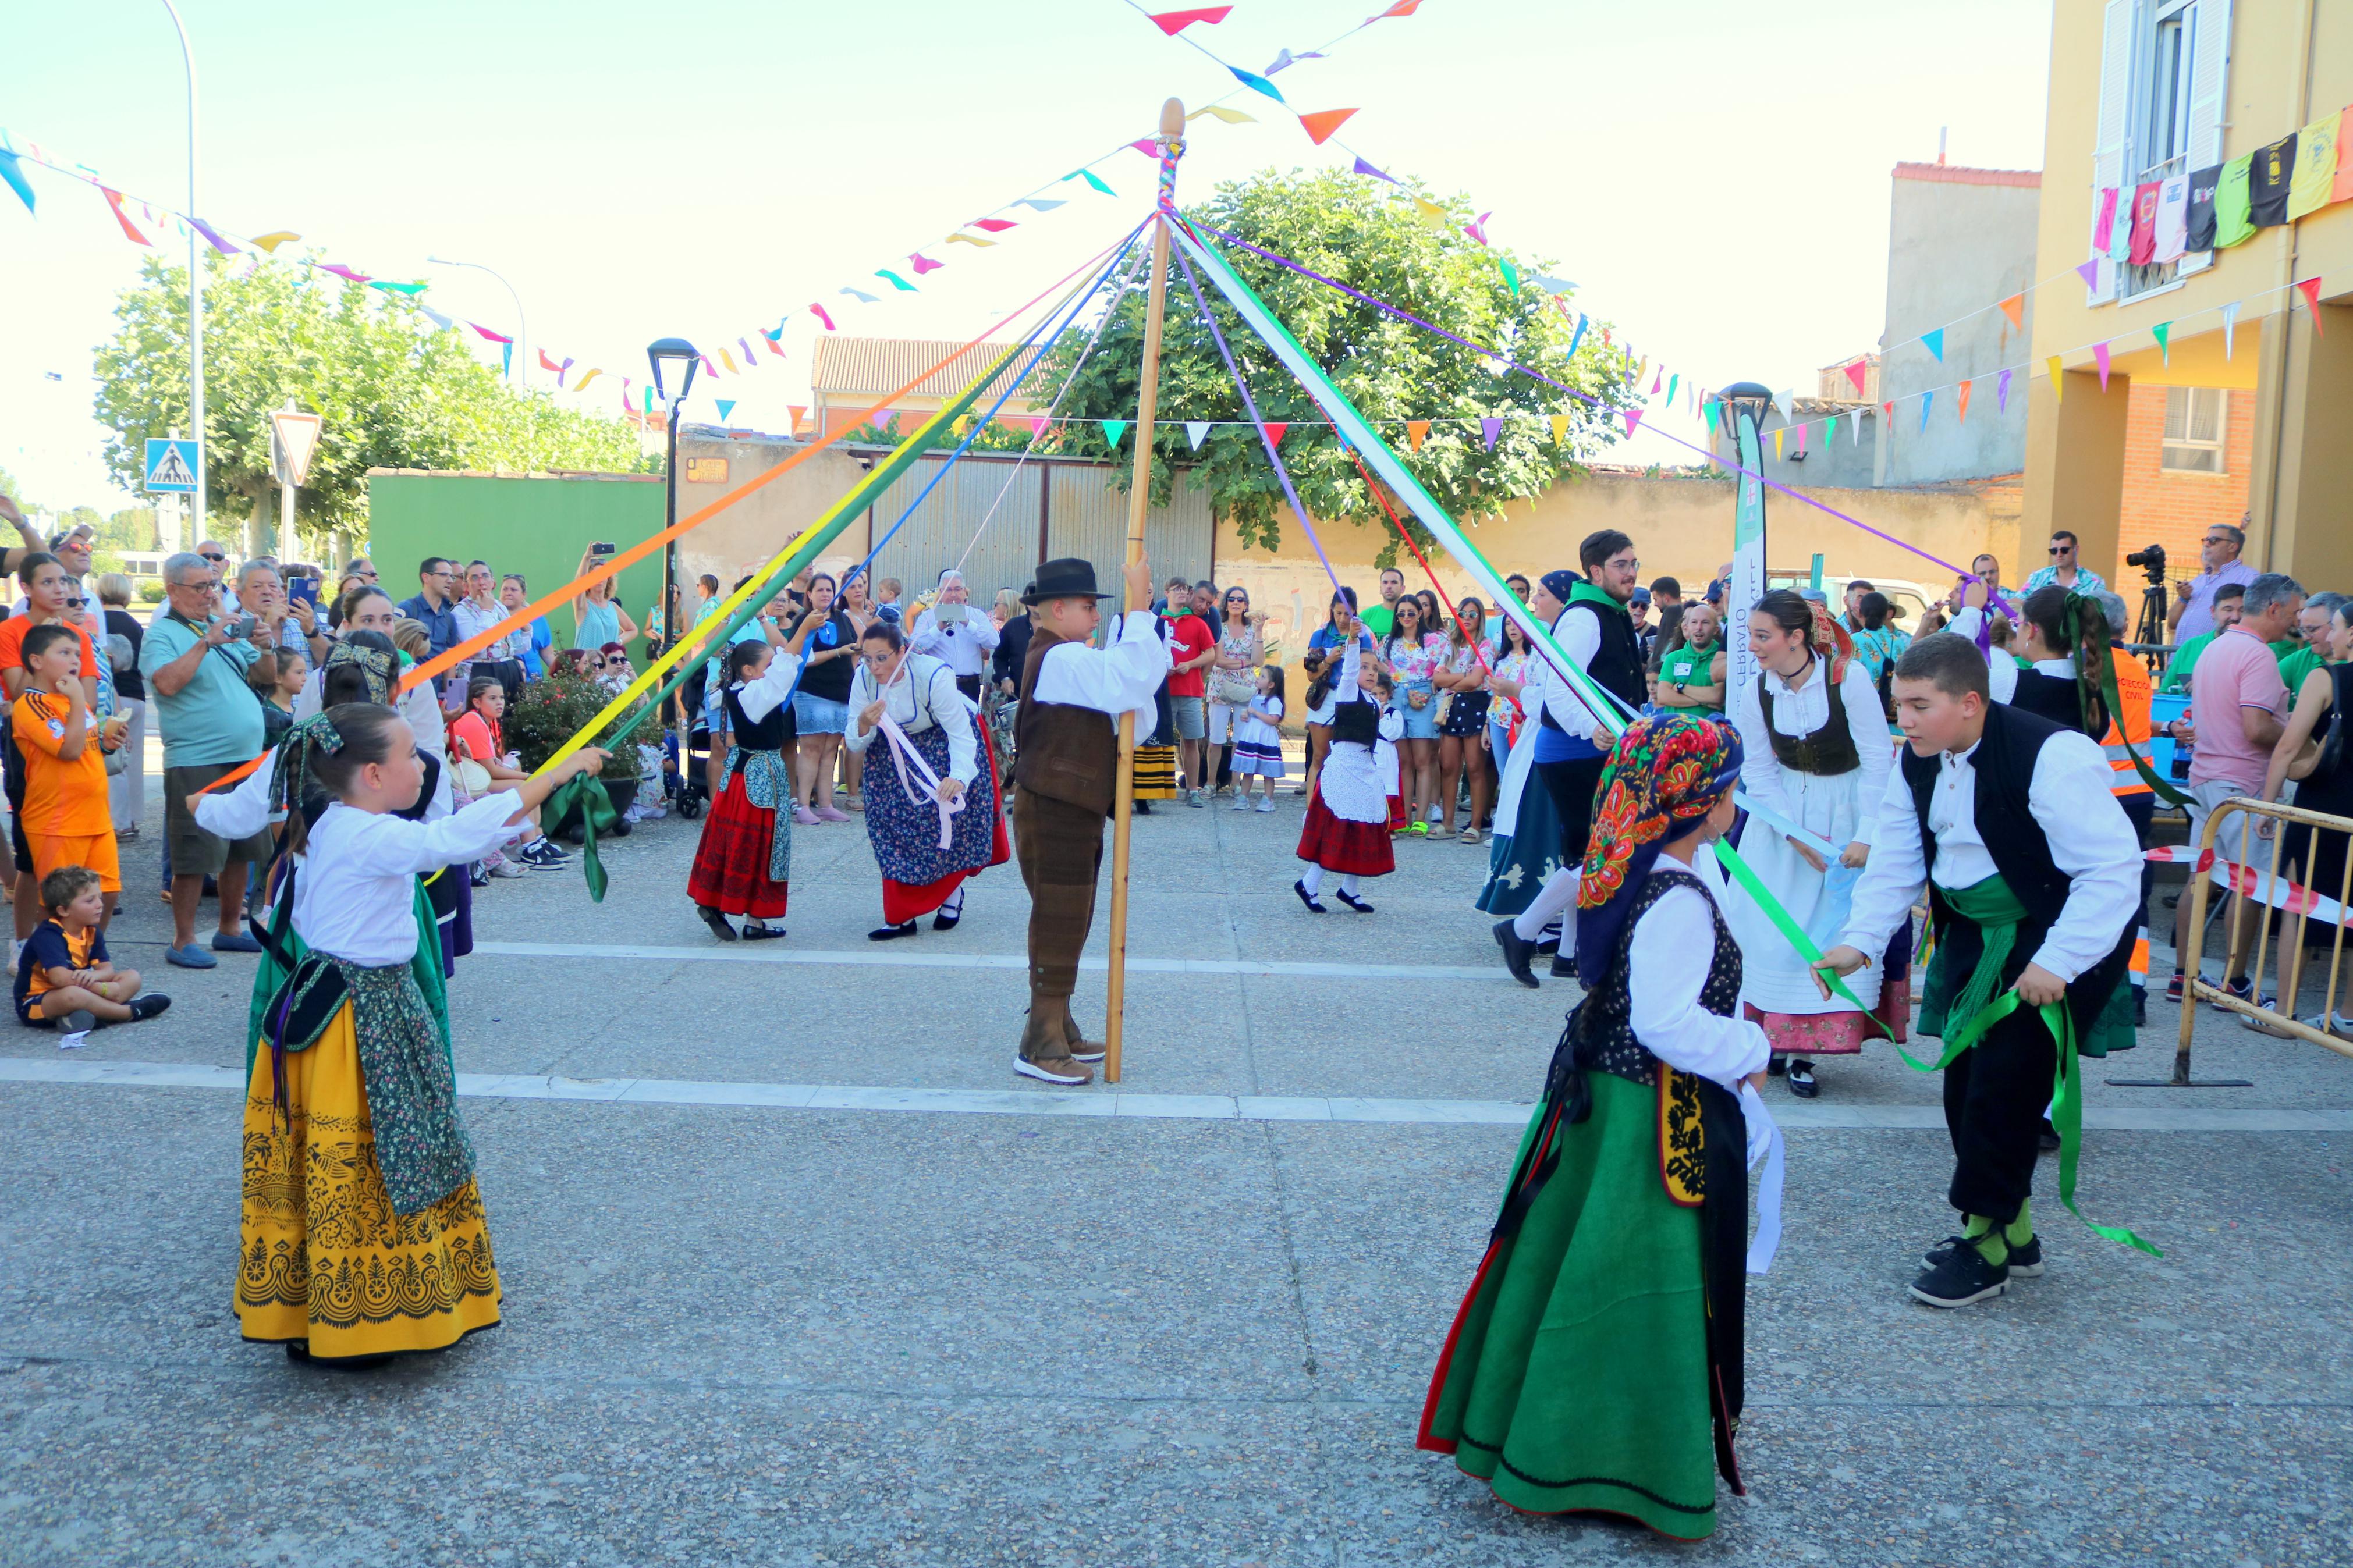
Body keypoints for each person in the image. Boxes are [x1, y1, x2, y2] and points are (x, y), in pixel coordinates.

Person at [1422, 713, 1766, 1537]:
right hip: (1645, 1114)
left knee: (1570, 1264)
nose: (1733, 803)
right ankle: (1617, 1457)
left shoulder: (1624, 861)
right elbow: (1665, 1021)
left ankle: (1542, 1428)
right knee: (1629, 1282)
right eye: (1726, 789)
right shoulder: (1674, 893)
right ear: (1705, 804)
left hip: (1598, 1099)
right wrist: (1751, 1044)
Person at [235, 700, 606, 1364]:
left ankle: (322, 1309)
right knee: (377, 1155)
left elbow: (453, 831)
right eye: (409, 754)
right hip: (361, 1016)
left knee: (358, 1157)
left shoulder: (333, 821)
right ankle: (364, 1322)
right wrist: (555, 775)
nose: (422, 764)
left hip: (338, 1004)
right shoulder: (368, 834)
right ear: (373, 775)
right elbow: (452, 841)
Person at [1815, 634, 2143, 1309]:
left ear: (1968, 703)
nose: (1902, 720)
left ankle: (1983, 1244)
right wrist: (1858, 942)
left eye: (1916, 705)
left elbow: (2113, 871)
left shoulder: (2051, 756)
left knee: (2004, 1085)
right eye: (1896, 703)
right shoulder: (1918, 760)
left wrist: (2057, 960)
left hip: (2055, 932)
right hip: (1971, 931)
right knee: (1966, 1083)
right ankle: (2012, 1229)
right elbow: (1897, 857)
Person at [1720, 591, 1891, 1097]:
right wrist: (1788, 829)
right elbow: (1757, 766)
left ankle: (1803, 1052)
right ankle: (1767, 1036)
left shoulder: (1848, 680)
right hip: (1782, 820)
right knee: (1767, 922)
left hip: (1844, 810)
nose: (1752, 646)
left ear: (1796, 637)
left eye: (1762, 635)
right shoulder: (1758, 691)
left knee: (1826, 929)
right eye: (1750, 634)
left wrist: (1866, 834)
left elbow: (1879, 759)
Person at [1009, 555, 1168, 1085]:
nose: (1095, 616)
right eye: (1086, 606)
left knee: (1068, 919)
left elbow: (1131, 696)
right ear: (1057, 608)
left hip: (1067, 806)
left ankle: (1058, 1023)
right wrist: (1140, 608)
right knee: (1059, 920)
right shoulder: (1056, 657)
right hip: (1054, 805)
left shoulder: (1066, 656)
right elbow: (1131, 675)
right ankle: (1041, 1043)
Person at [1492, 534, 1648, 987]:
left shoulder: (1608, 612)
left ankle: (1567, 953)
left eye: (1634, 563)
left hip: (1595, 749)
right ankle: (1520, 930)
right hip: (1575, 752)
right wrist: (1590, 728)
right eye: (1621, 564)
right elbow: (1560, 692)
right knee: (1595, 856)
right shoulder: (1583, 618)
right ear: (1596, 572)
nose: (1631, 572)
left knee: (1587, 852)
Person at [2168, 572, 2304, 1007]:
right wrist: (2296, 732)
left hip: (2206, 778)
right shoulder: (2257, 655)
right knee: (2249, 885)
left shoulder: (2215, 646)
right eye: (2295, 612)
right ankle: (2233, 979)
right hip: (2243, 783)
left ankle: (2182, 974)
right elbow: (2255, 726)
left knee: (2201, 877)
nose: (2295, 622)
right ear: (2273, 609)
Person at [137, 553, 277, 969]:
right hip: (197, 757)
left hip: (245, 757)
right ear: (173, 590)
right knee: (194, 853)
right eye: (199, 587)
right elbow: (166, 682)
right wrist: (206, 642)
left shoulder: (220, 627)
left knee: (243, 846)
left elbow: (267, 676)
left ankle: (230, 927)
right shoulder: (163, 633)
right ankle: (182, 939)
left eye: (212, 585)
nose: (208, 594)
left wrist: (267, 645)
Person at [843, 620, 1007, 940]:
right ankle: (900, 916)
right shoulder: (863, 679)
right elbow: (854, 741)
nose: (874, 667)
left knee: (943, 819)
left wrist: (959, 776)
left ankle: (951, 893)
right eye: (867, 658)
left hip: (942, 739)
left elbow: (960, 732)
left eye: (882, 658)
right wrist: (863, 724)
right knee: (889, 825)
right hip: (890, 747)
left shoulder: (934, 674)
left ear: (902, 652)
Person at [2255, 597, 2353, 1035]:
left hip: (2323, 804)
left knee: (2297, 900)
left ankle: (2285, 1013)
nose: (2327, 636)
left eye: (2333, 627)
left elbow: (2288, 746)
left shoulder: (2325, 676)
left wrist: (2268, 803)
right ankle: (2348, 1016)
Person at [689, 617, 818, 942]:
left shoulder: (740, 689)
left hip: (741, 773)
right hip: (759, 775)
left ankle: (716, 901)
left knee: (730, 839)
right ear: (750, 670)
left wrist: (768, 623)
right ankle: (755, 918)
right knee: (760, 844)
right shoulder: (756, 694)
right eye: (767, 664)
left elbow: (783, 657)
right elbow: (787, 663)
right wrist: (802, 631)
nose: (774, 666)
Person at [12, 623, 127, 927]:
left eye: (77, 654)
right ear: (37, 661)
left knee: (107, 894)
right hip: (58, 822)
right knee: (61, 905)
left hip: (94, 816)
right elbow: (69, 751)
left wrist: (105, 743)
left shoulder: (71, 700)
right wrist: (79, 700)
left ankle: (88, 955)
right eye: (64, 653)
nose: (75, 660)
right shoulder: (32, 704)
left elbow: (85, 749)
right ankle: (56, 963)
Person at [1295, 635, 1400, 912]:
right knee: (1338, 830)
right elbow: (1350, 668)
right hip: (1344, 768)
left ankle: (1349, 889)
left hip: (1365, 769)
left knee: (1363, 829)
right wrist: (1353, 642)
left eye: (1375, 669)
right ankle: (1309, 883)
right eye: (1365, 667)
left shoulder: (1373, 702)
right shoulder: (1347, 691)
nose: (1370, 673)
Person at [15, 866, 166, 1033]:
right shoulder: (49, 935)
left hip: (83, 988)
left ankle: (91, 1014)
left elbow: (107, 970)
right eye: (90, 901)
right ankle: (128, 1012)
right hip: (38, 1003)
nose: (100, 905)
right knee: (72, 995)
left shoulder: (92, 932)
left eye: (100, 898)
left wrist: (96, 977)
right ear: (63, 910)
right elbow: (60, 980)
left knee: (133, 977)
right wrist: (102, 989)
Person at [787, 571, 861, 824]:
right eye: (820, 590)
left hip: (841, 693)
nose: (825, 594)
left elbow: (853, 650)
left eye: (829, 590)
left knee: (831, 750)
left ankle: (826, 804)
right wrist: (837, 651)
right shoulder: (803, 621)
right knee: (811, 749)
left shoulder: (842, 619)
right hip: (812, 692)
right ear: (809, 594)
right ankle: (804, 805)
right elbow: (800, 658)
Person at [1382, 594, 1446, 834]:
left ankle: (1421, 818)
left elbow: (1447, 664)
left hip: (1423, 696)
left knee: (1423, 760)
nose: (1406, 617)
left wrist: (1436, 687)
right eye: (1402, 613)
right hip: (1397, 696)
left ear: (1420, 613)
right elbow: (1379, 666)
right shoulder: (1389, 641)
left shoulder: (1435, 640)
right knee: (1404, 762)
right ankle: (1404, 818)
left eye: (1411, 612)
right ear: (1396, 617)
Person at [1433, 596, 1493, 842]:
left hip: (1476, 703)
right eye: (1462, 613)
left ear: (1480, 617)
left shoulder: (1486, 645)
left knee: (1476, 767)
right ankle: (1447, 824)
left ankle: (1476, 825)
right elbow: (1437, 679)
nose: (1467, 618)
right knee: (1448, 766)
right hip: (1452, 705)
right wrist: (1462, 676)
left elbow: (1476, 680)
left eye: (1472, 614)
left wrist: (1454, 679)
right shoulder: (1451, 644)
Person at [1152, 575, 1216, 805]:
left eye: (1184, 589)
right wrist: (1162, 668)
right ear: (1167, 593)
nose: (1181, 593)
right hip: (1163, 692)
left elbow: (1211, 653)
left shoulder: (1198, 623)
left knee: (1191, 740)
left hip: (1190, 691)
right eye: (1176, 589)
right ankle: (1156, 789)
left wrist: (1190, 664)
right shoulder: (1157, 622)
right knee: (1160, 741)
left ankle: (1193, 789)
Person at [1305, 589, 1374, 799]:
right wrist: (1328, 662)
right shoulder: (1321, 635)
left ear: (1355, 612)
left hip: (1352, 702)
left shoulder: (1364, 635)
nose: (1343, 619)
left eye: (1347, 614)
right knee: (1320, 757)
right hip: (1325, 699)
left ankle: (1341, 806)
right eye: (1338, 613)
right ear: (1331, 612)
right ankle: (1312, 809)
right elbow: (1311, 674)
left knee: (1348, 757)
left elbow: (1369, 667)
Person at [97, 573, 147, 840]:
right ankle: (131, 818)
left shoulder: (98, 620)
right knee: (132, 760)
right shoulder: (135, 624)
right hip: (136, 695)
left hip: (112, 695)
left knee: (112, 757)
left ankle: (117, 821)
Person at [910, 568, 1002, 705]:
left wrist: (967, 622)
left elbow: (994, 641)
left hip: (970, 684)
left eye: (958, 589)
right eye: (948, 590)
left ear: (964, 591)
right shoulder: (928, 617)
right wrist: (938, 628)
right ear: (941, 593)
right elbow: (914, 647)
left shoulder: (976, 615)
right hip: (939, 684)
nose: (953, 594)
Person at [1205, 588, 1261, 796]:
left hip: (1245, 688)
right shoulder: (1219, 628)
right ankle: (1211, 783)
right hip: (1221, 686)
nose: (1236, 602)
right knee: (1216, 738)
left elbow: (1258, 660)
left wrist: (1260, 633)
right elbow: (1218, 659)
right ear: (1226, 604)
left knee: (1240, 738)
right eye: (1232, 599)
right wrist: (1243, 662)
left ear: (1246, 604)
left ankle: (1236, 783)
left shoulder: (1251, 630)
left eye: (1241, 599)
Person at [2169, 521, 2260, 645]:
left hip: (2215, 658)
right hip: (2180, 658)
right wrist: (2183, 598)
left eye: (2213, 541)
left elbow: (2253, 620)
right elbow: (2172, 623)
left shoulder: (2248, 578)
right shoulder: (2198, 581)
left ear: (2232, 547)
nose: (2206, 545)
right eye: (2205, 540)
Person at [2158, 580, 2244, 694]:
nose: (2235, 617)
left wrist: (2206, 688)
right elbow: (2165, 693)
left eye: (2242, 611)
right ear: (2213, 612)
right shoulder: (2190, 647)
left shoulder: (2258, 651)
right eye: (2228, 610)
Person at [1653, 599, 1727, 719]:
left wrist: (1680, 687)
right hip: (1676, 732)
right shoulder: (1673, 658)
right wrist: (1704, 702)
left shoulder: (1721, 659)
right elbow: (1663, 696)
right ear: (1687, 627)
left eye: (1705, 623)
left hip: (1710, 734)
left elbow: (1716, 696)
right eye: (1694, 622)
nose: (1699, 627)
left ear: (1716, 630)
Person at [1229, 665, 1286, 809]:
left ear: (1271, 684)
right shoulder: (1255, 697)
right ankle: (1243, 798)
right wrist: (1246, 716)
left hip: (1265, 738)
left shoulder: (1274, 701)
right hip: (1252, 736)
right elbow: (1251, 715)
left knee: (1268, 771)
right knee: (1249, 769)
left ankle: (1268, 800)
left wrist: (1255, 712)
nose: (1258, 678)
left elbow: (1273, 720)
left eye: (1263, 677)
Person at [398, 557, 463, 662]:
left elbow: (450, 662)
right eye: (443, 575)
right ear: (426, 578)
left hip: (438, 678)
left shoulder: (450, 619)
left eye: (451, 576)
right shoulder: (406, 609)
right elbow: (395, 649)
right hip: (410, 677)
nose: (450, 581)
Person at [2022, 529, 2110, 598]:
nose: (2059, 555)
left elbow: (2101, 613)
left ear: (2076, 549)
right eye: (2054, 551)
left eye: (2064, 550)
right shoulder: (2038, 578)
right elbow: (2018, 600)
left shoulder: (2095, 582)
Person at [1360, 567, 1406, 639]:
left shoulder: (1408, 617)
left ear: (1402, 589)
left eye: (1394, 582)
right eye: (1385, 583)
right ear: (1380, 589)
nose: (1389, 586)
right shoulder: (1365, 616)